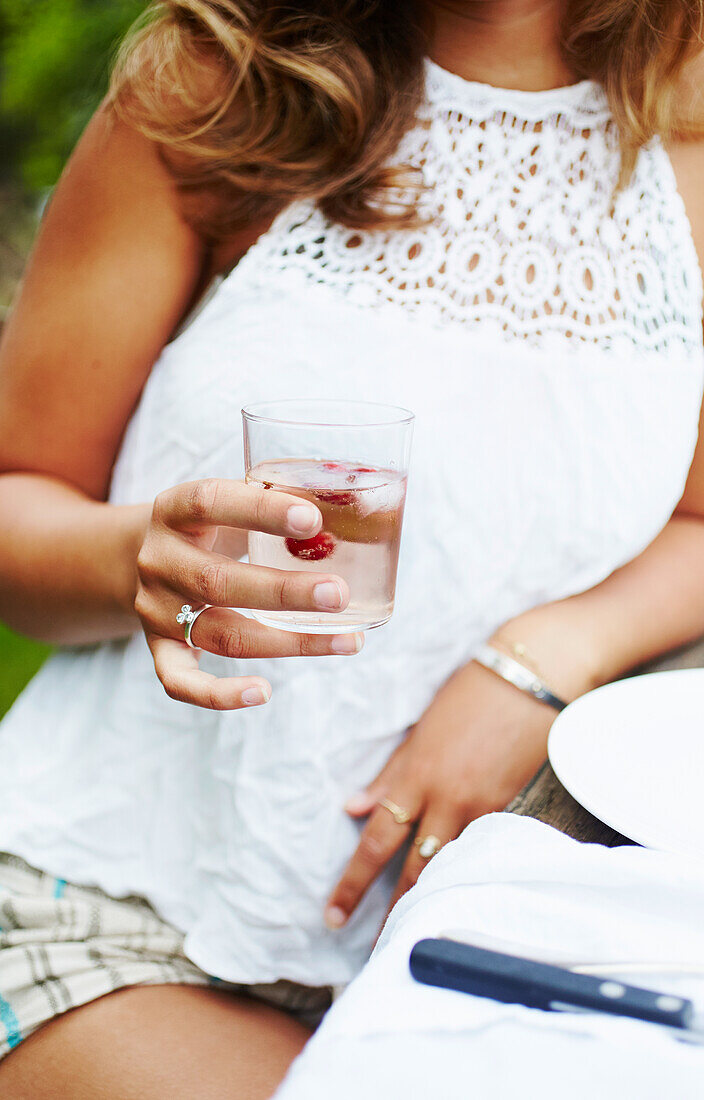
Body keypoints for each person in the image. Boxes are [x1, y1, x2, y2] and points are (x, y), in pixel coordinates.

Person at [0, 0, 703, 1095]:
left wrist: (534, 661)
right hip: (112, 902)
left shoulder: (689, 125)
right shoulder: (220, 80)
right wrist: (138, 556)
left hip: (503, 940)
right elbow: (19, 498)